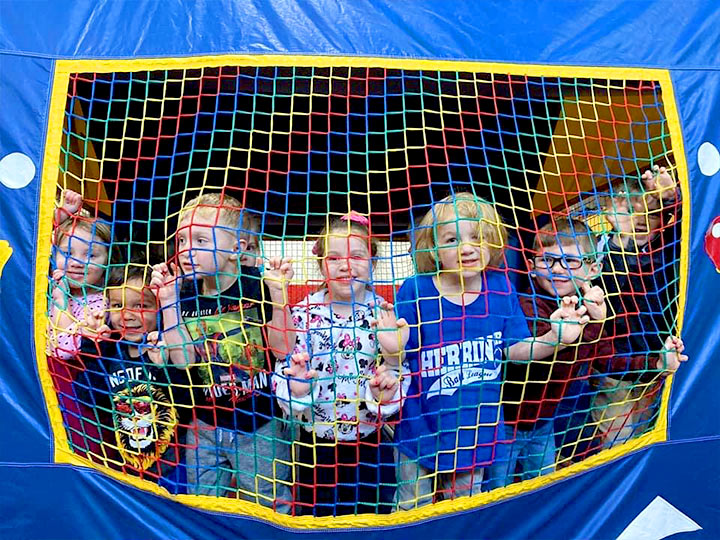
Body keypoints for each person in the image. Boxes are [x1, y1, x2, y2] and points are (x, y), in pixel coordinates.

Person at [392, 192, 591, 509]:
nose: (466, 247)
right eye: (452, 239)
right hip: (420, 429)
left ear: (492, 242)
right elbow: (396, 355)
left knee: (465, 510)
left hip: (475, 433)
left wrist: (555, 337)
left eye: (477, 237)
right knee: (410, 506)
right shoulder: (417, 290)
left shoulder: (499, 287)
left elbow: (514, 349)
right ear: (433, 247)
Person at [273, 211, 409, 516]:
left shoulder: (383, 312)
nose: (346, 265)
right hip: (315, 446)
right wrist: (296, 385)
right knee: (316, 518)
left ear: (373, 262)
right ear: (321, 264)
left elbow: (398, 368)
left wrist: (385, 391)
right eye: (334, 258)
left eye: (357, 256)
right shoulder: (303, 313)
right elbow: (283, 365)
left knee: (374, 517)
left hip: (371, 444)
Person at [173, 193, 295, 512]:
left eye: (200, 240)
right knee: (202, 505)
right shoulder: (181, 294)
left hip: (259, 424)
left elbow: (284, 349)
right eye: (182, 240)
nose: (187, 251)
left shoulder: (256, 285)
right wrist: (166, 303)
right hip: (204, 425)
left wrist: (278, 295)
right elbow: (182, 360)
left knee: (272, 505)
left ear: (236, 248)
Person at [492, 218, 612, 484]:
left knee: (542, 482)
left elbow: (605, 357)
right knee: (495, 489)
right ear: (532, 267)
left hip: (543, 422)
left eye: (569, 261)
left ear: (593, 269)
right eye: (548, 260)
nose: (557, 270)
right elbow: (546, 362)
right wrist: (573, 333)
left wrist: (658, 362)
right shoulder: (526, 305)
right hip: (506, 423)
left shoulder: (586, 307)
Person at [589, 166, 688, 447]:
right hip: (616, 374)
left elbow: (689, 224)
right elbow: (614, 282)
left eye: (651, 213)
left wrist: (671, 196)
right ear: (610, 216)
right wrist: (623, 240)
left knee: (652, 437)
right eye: (630, 212)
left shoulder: (666, 250)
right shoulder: (600, 253)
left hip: (660, 367)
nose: (641, 220)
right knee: (617, 445)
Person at [73, 263, 193, 491]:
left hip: (173, 467)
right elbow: (87, 397)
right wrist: (93, 347)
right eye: (118, 305)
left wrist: (161, 369)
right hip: (125, 468)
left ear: (158, 308)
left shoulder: (168, 350)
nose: (127, 316)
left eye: (141, 305)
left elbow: (187, 400)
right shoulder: (111, 352)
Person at [47, 189, 113, 461]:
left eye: (91, 255)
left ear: (108, 260)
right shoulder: (42, 288)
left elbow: (63, 348)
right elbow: (30, 244)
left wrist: (61, 299)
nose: (77, 262)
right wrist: (62, 215)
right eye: (68, 252)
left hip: (78, 395)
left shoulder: (104, 303)